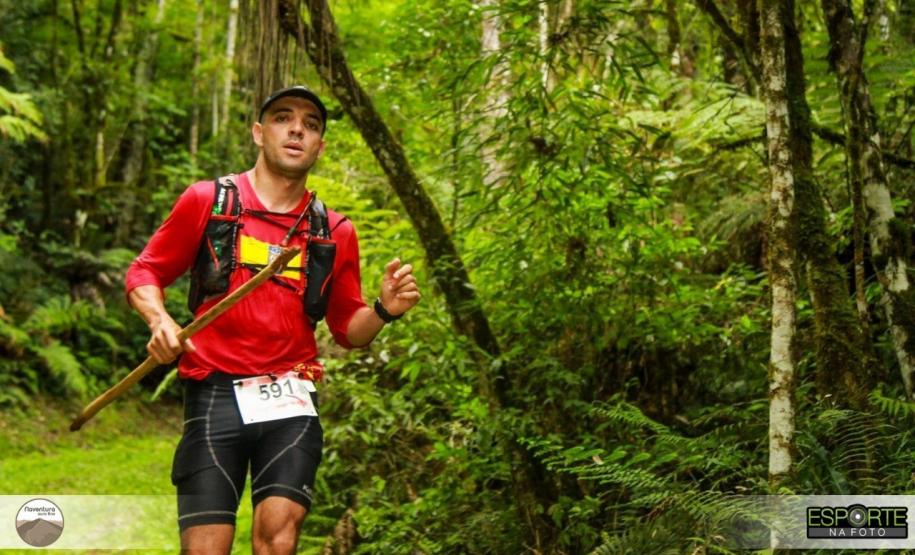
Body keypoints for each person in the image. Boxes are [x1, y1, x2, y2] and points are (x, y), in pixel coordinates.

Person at [124, 85, 420, 554]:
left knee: (278, 541)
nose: (298, 128)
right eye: (283, 117)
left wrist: (384, 309)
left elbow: (349, 331)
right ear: (260, 133)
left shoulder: (335, 231)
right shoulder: (209, 201)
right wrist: (158, 320)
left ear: (320, 146)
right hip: (214, 391)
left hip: (290, 398)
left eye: (311, 123)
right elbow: (146, 270)